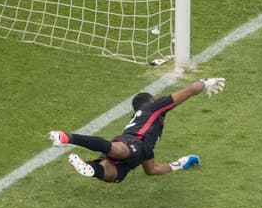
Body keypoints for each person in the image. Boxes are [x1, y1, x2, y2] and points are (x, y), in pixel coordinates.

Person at [48, 77, 225, 183]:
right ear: (151, 100)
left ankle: (91, 168)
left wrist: (180, 163)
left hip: (141, 151)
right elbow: (191, 90)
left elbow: (151, 169)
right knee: (116, 150)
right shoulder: (154, 108)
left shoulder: (140, 119)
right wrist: (205, 83)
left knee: (113, 174)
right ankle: (68, 138)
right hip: (133, 143)